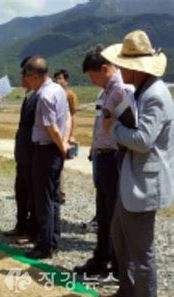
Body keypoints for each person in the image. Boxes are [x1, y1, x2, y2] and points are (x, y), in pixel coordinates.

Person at [98, 30, 174, 297]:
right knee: (121, 236)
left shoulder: (154, 95)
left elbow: (143, 140)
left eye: (123, 65)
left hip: (144, 184)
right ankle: (127, 292)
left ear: (134, 67)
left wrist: (113, 127)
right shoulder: (144, 91)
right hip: (133, 180)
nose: (120, 70)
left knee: (142, 252)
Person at [74, 45, 133, 280]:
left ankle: (117, 268)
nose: (91, 82)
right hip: (103, 156)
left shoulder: (122, 90)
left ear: (105, 69)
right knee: (104, 213)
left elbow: (130, 125)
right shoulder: (108, 90)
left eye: (92, 76)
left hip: (113, 158)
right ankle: (101, 258)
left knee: (114, 215)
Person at [23, 56, 70, 259]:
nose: (26, 81)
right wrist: (65, 145)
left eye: (27, 77)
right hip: (54, 150)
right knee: (53, 197)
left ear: (34, 76)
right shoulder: (59, 90)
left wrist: (62, 147)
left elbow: (51, 127)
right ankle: (53, 240)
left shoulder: (44, 96)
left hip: (45, 150)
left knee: (44, 201)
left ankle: (45, 246)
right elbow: (66, 118)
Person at [4, 56, 39, 243]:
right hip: (22, 156)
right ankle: (20, 225)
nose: (20, 77)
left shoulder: (38, 96)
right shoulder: (28, 96)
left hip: (31, 155)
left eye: (23, 74)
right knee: (21, 192)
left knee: (32, 195)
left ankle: (31, 231)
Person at [54, 69, 78, 205]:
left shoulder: (70, 95)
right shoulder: (54, 94)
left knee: (60, 164)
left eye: (61, 78)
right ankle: (58, 190)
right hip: (56, 133)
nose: (58, 81)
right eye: (56, 78)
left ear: (66, 81)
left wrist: (72, 135)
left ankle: (61, 193)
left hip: (65, 133)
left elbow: (73, 115)